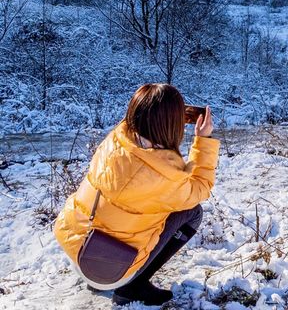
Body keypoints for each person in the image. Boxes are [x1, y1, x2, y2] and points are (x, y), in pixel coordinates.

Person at [54, 83, 220, 306]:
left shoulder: (115, 140)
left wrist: (161, 111)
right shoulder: (166, 176)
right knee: (192, 212)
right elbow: (201, 187)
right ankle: (132, 286)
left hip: (77, 248)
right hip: (113, 270)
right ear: (171, 124)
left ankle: (98, 278)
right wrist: (204, 140)